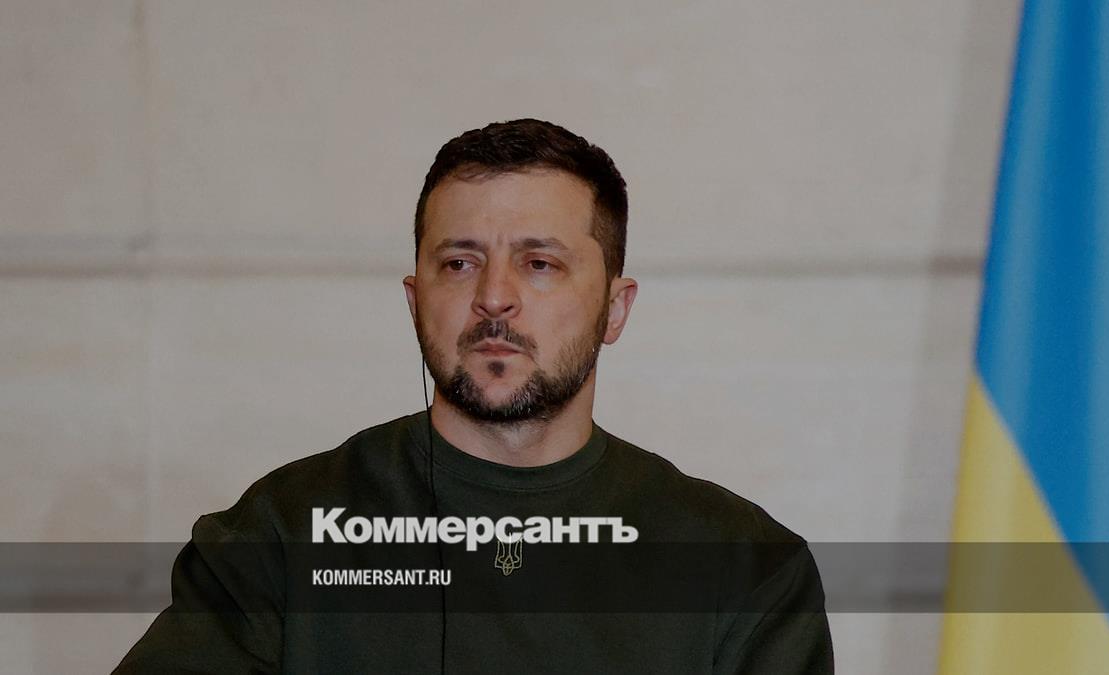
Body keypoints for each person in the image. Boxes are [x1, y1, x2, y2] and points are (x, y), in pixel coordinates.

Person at [115, 119, 833, 673]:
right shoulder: (278, 537)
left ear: (615, 309)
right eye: (459, 263)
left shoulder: (745, 567)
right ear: (415, 301)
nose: (494, 297)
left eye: (539, 263)